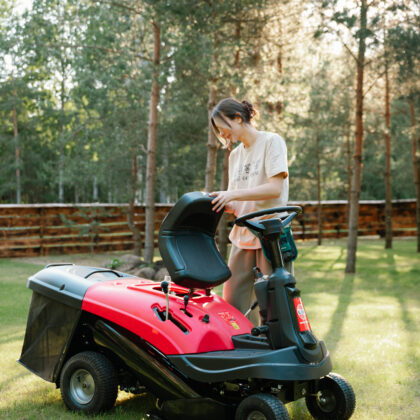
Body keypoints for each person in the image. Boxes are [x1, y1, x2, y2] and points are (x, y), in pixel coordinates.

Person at [209, 98, 291, 326]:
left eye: (222, 127)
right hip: (242, 235)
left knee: (275, 306)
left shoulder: (272, 142)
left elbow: (275, 189)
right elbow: (237, 200)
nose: (222, 134)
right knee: (233, 302)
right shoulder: (235, 156)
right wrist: (221, 200)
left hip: (270, 233)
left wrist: (233, 194)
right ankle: (247, 343)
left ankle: (280, 345)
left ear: (238, 118)